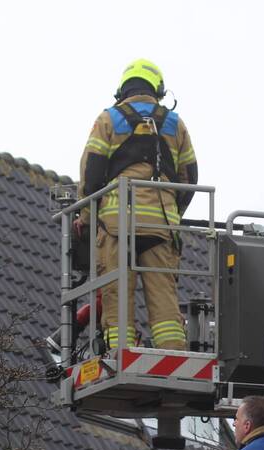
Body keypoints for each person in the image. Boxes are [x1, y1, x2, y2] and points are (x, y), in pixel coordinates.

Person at [77, 58, 198, 351]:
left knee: (117, 297)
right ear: (158, 90)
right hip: (160, 227)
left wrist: (85, 216)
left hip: (118, 224)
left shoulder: (108, 119)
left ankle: (121, 355)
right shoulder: (174, 123)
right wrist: (171, 215)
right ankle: (173, 356)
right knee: (164, 298)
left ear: (123, 89)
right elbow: (190, 178)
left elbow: (91, 174)